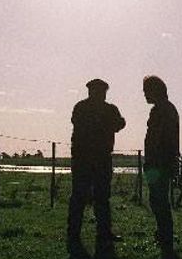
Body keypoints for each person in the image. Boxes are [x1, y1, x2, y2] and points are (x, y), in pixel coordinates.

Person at [67, 78, 126, 259]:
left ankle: (94, 233)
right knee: (83, 197)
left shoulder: (87, 108)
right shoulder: (95, 109)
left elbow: (120, 124)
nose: (99, 93)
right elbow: (119, 124)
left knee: (98, 197)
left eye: (101, 90)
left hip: (95, 159)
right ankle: (80, 234)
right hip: (88, 159)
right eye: (98, 90)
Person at [143, 75, 180, 259]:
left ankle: (165, 238)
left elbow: (156, 139)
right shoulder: (168, 108)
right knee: (158, 200)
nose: (144, 94)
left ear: (154, 90)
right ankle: (164, 235)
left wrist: (150, 162)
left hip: (157, 164)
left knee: (158, 201)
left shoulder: (160, 110)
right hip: (161, 163)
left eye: (146, 90)